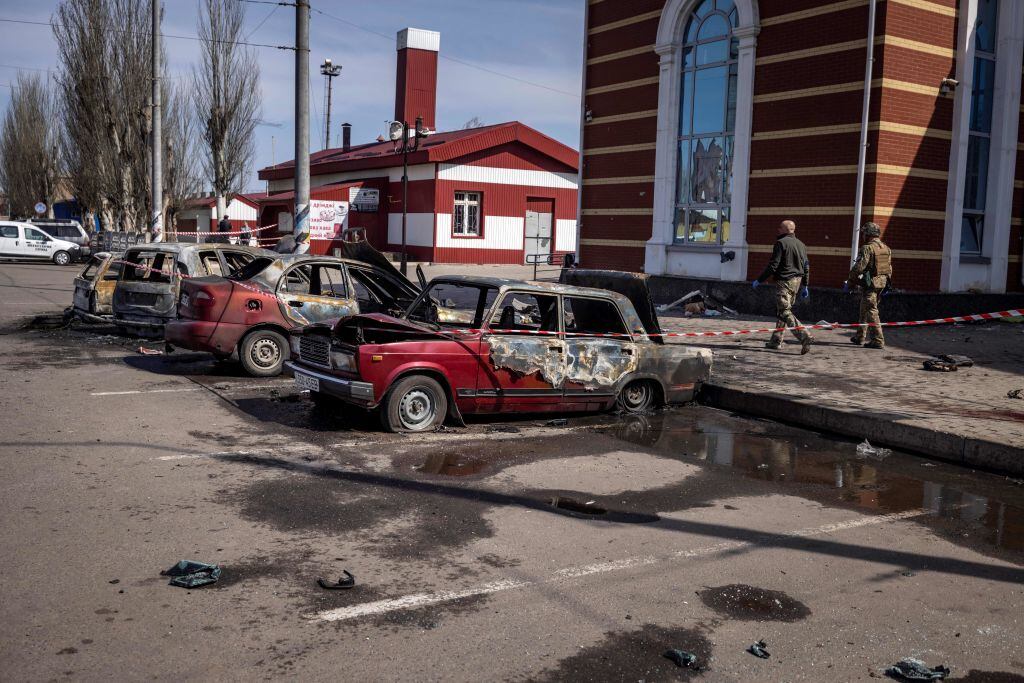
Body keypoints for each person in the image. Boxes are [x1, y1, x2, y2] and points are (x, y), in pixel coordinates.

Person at [752, 219, 812, 354]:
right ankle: (776, 341)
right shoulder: (801, 245)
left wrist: (759, 280)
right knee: (782, 312)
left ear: (786, 230)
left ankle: (804, 335)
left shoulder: (780, 243)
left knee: (785, 312)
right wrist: (805, 285)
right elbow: (806, 266)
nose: (778, 229)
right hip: (797, 282)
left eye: (780, 227)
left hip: (784, 282)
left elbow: (773, 265)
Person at [846, 221, 892, 349]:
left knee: (871, 310)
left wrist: (851, 281)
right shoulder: (886, 248)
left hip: (870, 284)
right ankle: (860, 336)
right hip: (881, 284)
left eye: (864, 233)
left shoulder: (867, 248)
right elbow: (889, 268)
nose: (863, 236)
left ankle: (878, 340)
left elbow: (859, 267)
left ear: (868, 234)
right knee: (864, 308)